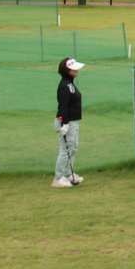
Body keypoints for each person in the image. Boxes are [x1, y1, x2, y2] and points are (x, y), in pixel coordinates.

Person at [52, 57, 86, 188]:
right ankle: (58, 178)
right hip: (67, 123)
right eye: (73, 68)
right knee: (66, 150)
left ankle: (67, 174)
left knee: (73, 148)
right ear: (67, 70)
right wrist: (64, 123)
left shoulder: (70, 83)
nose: (77, 70)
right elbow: (63, 106)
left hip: (73, 122)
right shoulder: (64, 86)